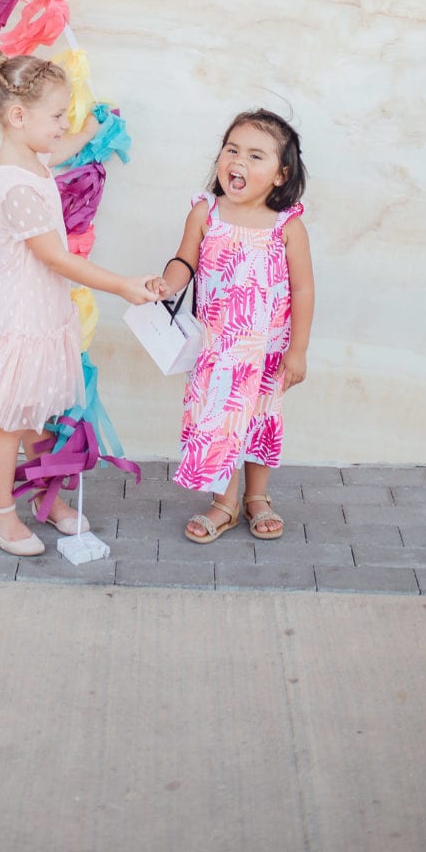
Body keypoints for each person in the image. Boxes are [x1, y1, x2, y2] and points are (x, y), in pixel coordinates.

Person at [0, 50, 158, 556]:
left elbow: (63, 146)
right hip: (21, 318)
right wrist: (121, 285)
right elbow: (57, 258)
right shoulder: (14, 187)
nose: (62, 124)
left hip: (44, 315)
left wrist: (93, 130)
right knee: (11, 423)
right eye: (56, 115)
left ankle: (43, 496)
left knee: (40, 412)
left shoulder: (31, 156)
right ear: (18, 116)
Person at [151, 109, 314, 543]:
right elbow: (186, 259)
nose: (238, 161)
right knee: (219, 421)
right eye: (232, 149)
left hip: (266, 351)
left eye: (255, 156)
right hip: (217, 347)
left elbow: (303, 289)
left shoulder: (287, 226)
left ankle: (257, 498)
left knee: (260, 419)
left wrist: (298, 349)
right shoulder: (206, 213)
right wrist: (168, 281)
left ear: (281, 175)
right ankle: (224, 502)